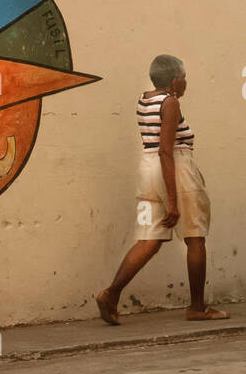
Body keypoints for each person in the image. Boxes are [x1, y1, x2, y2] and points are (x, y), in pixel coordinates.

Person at [95, 55, 229, 324]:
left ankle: (111, 294)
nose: (186, 82)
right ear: (175, 80)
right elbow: (166, 151)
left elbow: (155, 148)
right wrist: (173, 201)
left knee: (148, 239)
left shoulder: (144, 100)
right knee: (195, 237)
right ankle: (198, 307)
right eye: (184, 77)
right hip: (176, 170)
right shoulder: (170, 103)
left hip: (147, 172)